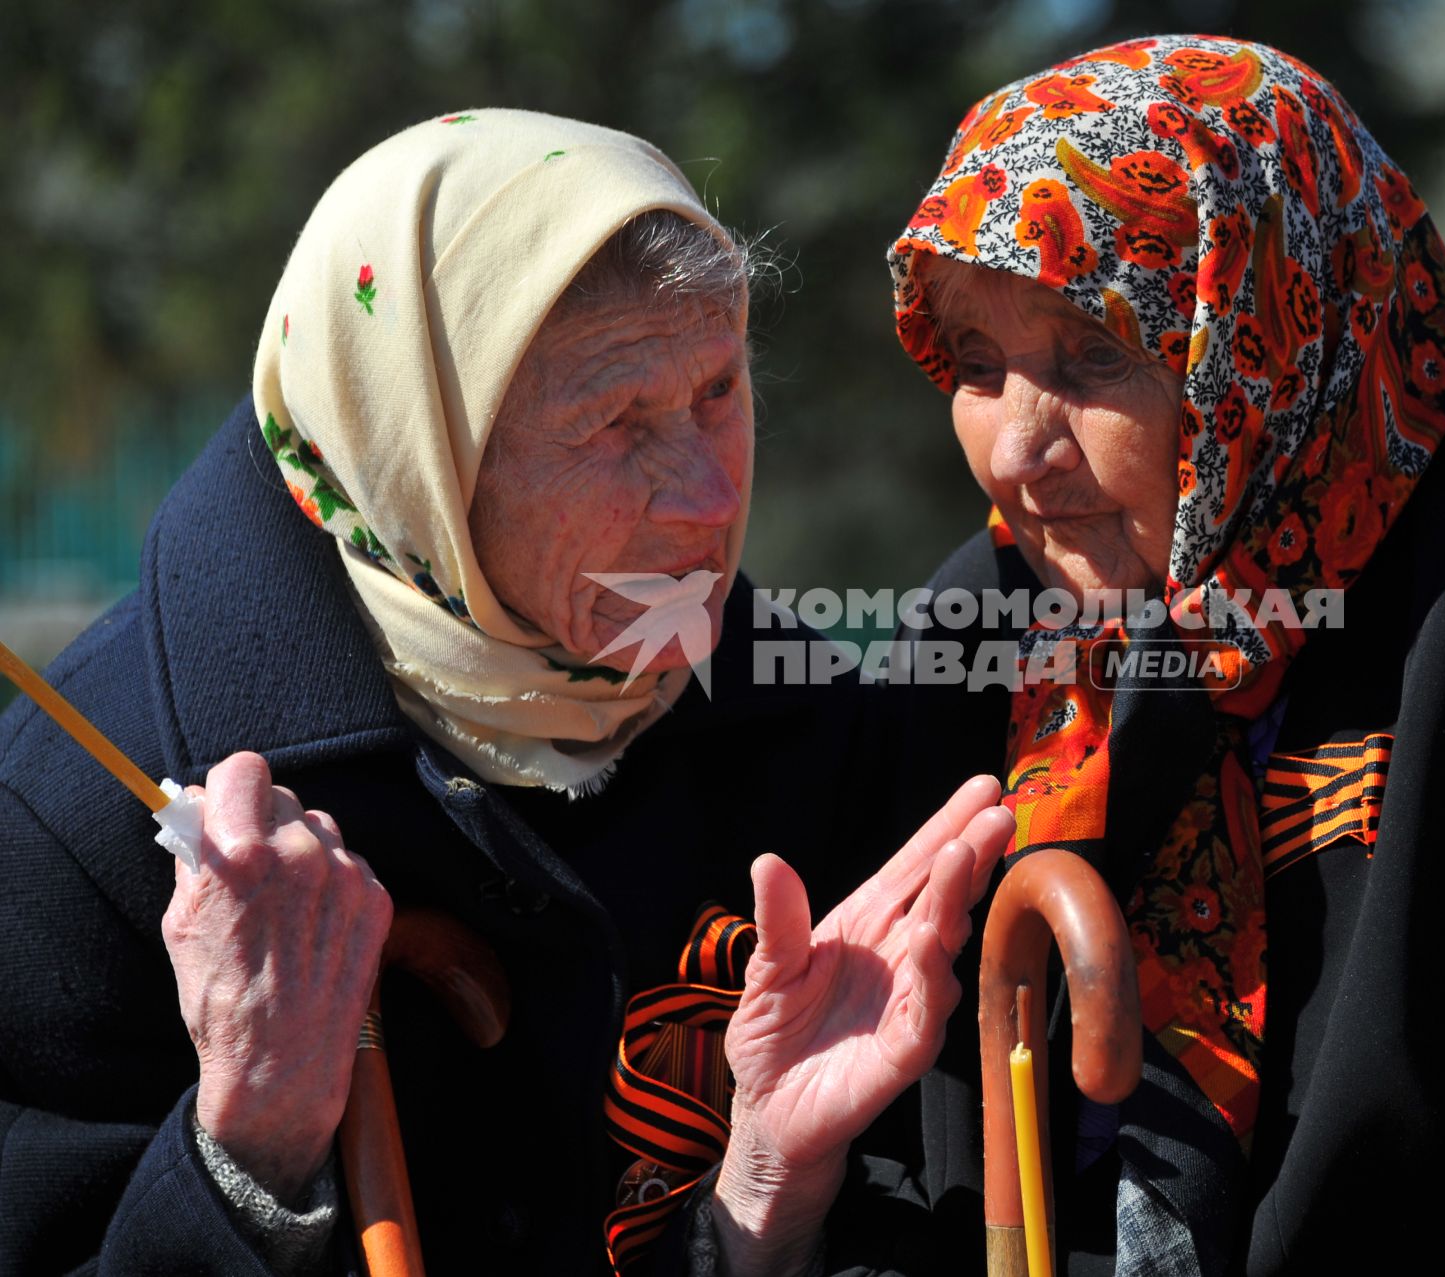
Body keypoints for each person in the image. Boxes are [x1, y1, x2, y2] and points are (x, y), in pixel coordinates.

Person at [699, 34, 1445, 1275]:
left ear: (1262, 327)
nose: (1017, 448)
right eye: (975, 363)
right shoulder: (993, 628)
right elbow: (909, 1189)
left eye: (1096, 353)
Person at [0, 109, 1012, 1276]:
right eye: (616, 423)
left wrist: (765, 1198)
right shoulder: (87, 808)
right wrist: (245, 1157)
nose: (703, 497)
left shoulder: (802, 719)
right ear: (419, 446)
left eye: (719, 391)